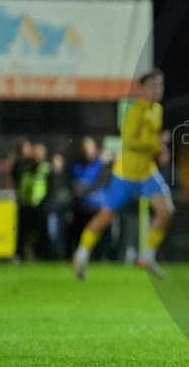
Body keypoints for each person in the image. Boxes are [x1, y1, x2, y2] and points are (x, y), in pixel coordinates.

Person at [73, 69, 174, 280]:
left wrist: (159, 151)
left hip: (147, 172)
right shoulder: (135, 111)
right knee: (105, 217)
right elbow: (130, 142)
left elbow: (149, 143)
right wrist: (156, 144)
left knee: (166, 210)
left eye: (161, 85)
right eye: (155, 85)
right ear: (143, 88)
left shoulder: (157, 110)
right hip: (125, 175)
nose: (158, 89)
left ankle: (146, 257)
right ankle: (81, 254)